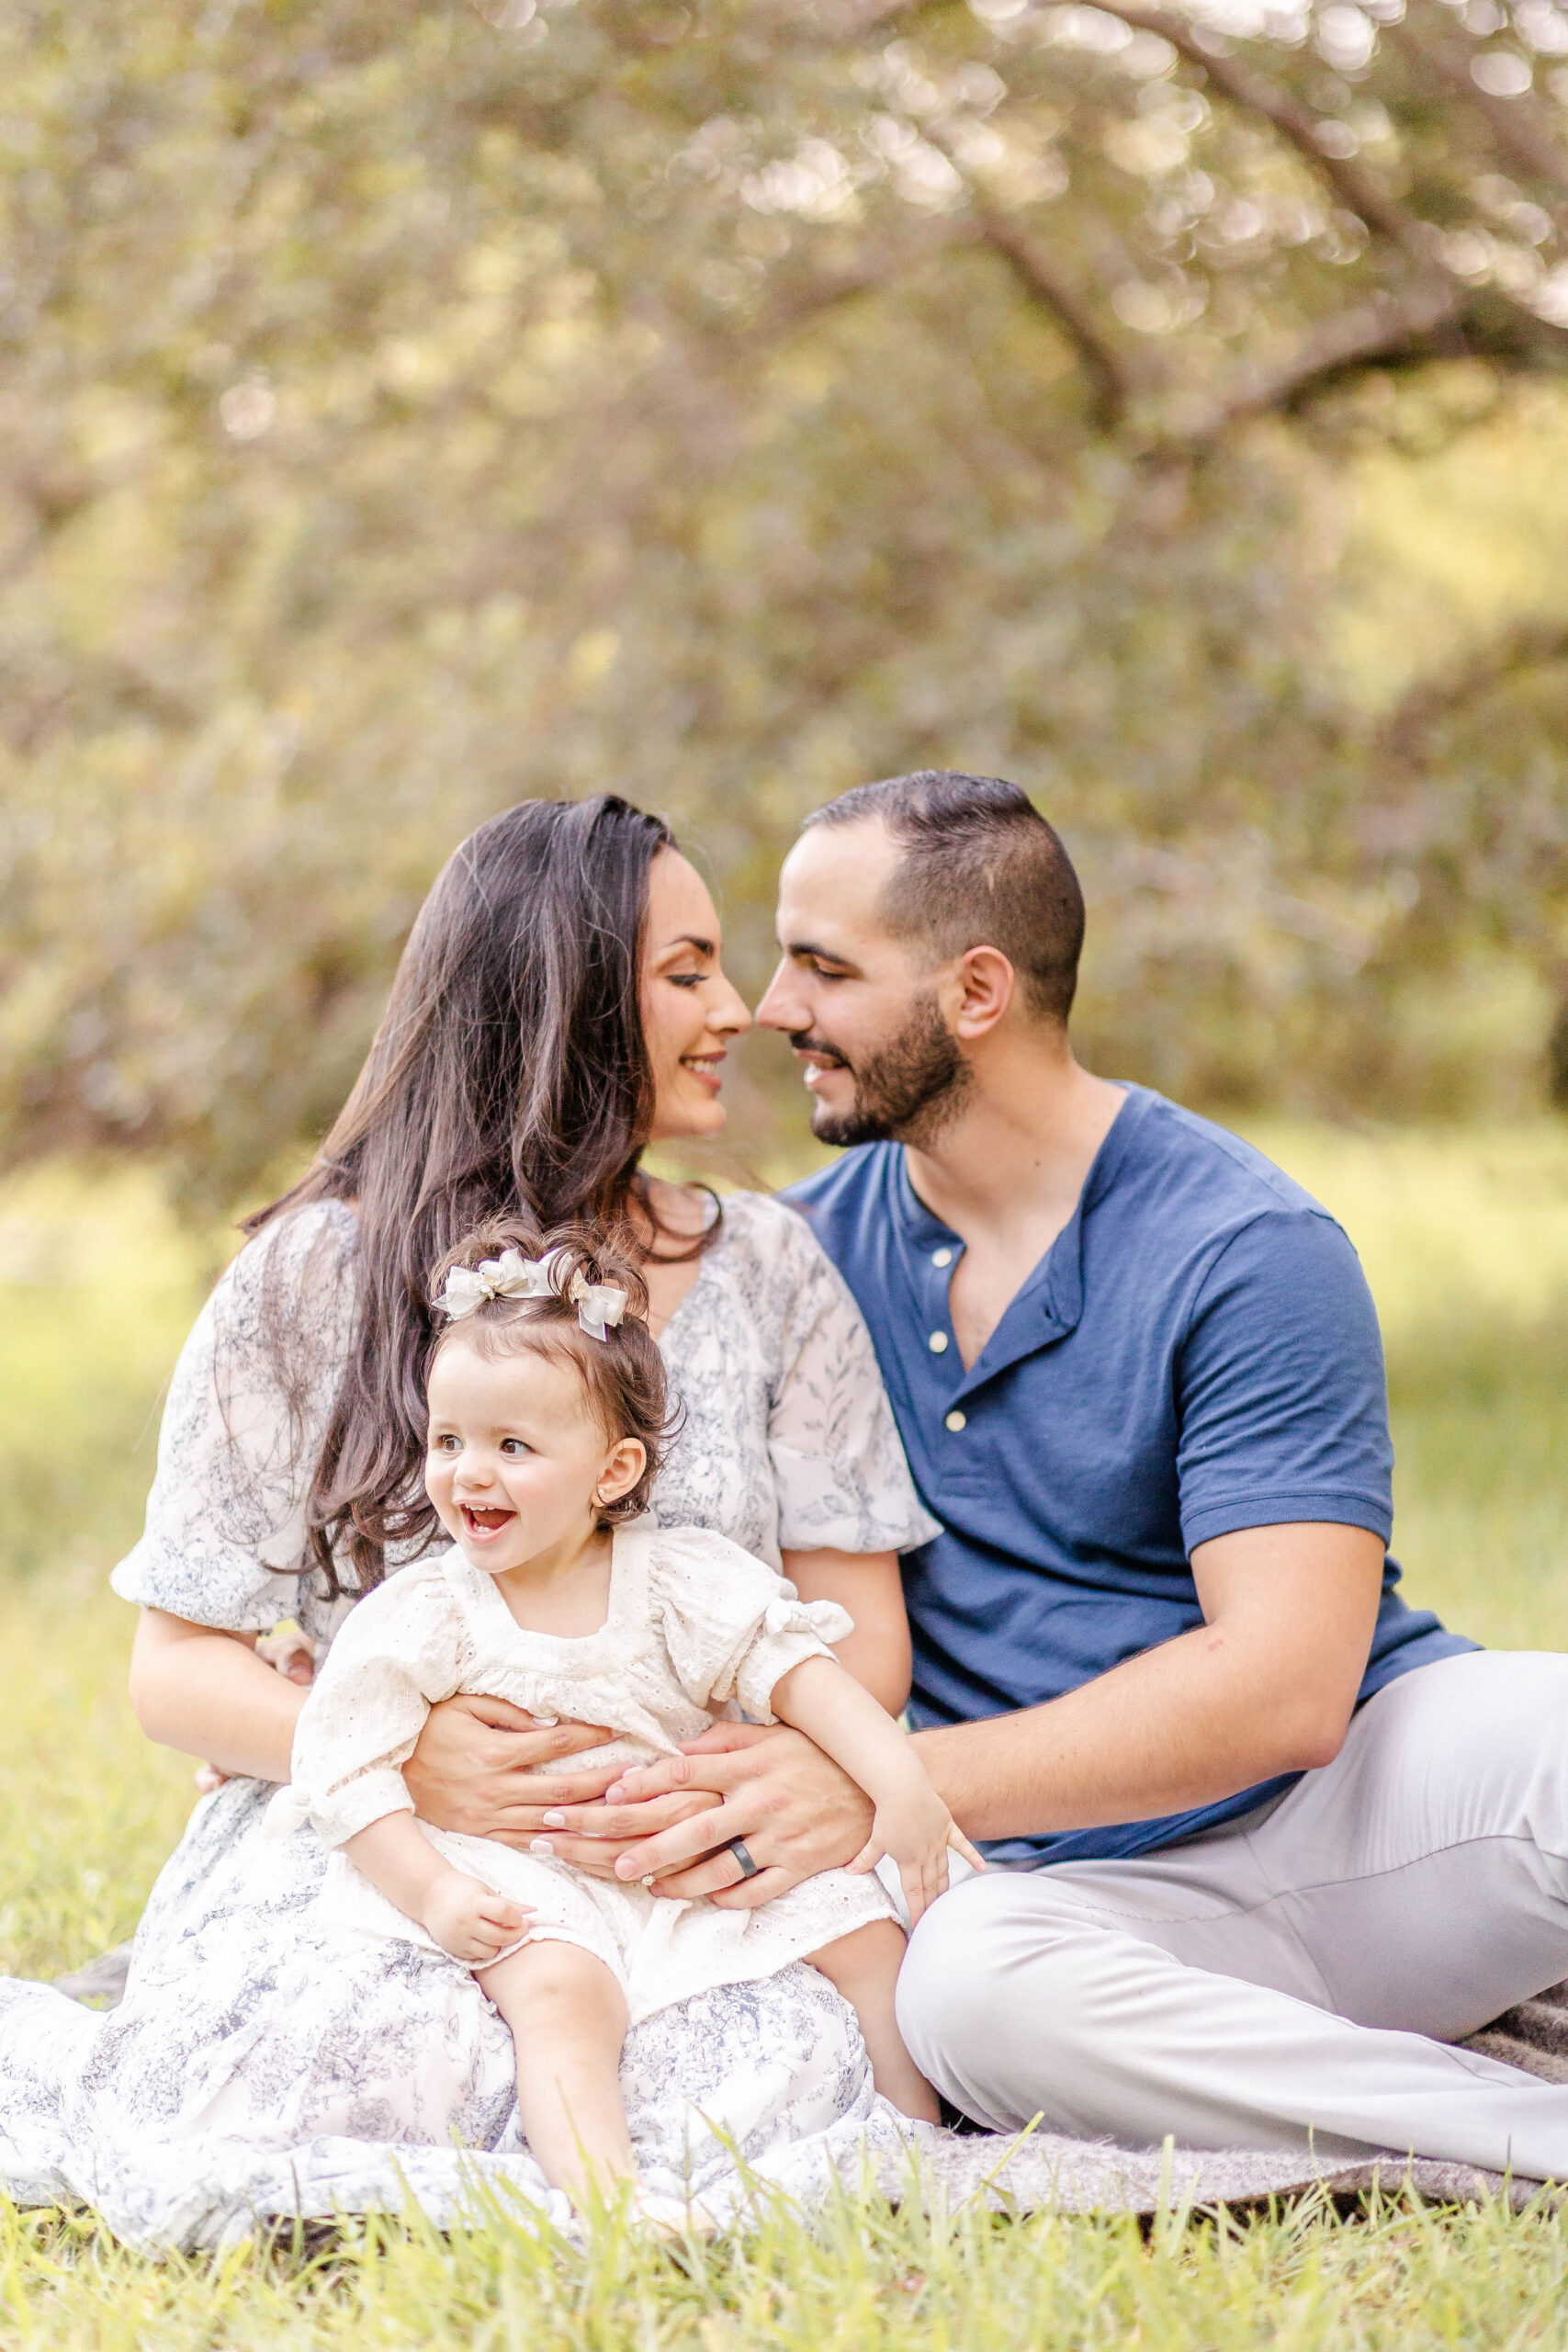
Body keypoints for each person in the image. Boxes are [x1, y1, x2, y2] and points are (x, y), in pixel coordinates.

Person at [583, 768, 1568, 2184]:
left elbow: (1285, 1688)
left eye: (822, 965)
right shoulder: (788, 1268)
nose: (771, 1007)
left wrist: (883, 1785)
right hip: (1070, 1890)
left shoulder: (1242, 1246)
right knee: (969, 1996)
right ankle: (1516, 2137)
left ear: (974, 993)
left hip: (1363, 1800)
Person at [0, 795, 939, 2245]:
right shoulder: (316, 1277)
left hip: (675, 1852)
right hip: (384, 1844)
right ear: (562, 996)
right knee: (364, 2064)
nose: (738, 1009)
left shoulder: (768, 1270)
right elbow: (173, 1666)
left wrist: (765, 1776)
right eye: (686, 970)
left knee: (767, 2081)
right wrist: (403, 1756)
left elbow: (858, 1635)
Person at [274, 1222, 972, 2221]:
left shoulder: (673, 1579)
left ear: (612, 1471)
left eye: (512, 1446)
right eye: (449, 1441)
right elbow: (344, 1767)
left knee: (861, 1932)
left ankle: (921, 2147)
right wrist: (431, 1892)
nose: (470, 1473)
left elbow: (798, 1671)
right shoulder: (430, 1611)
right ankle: (612, 2209)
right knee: (561, 1995)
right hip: (524, 1870)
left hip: (680, 1859)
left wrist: (899, 1781)